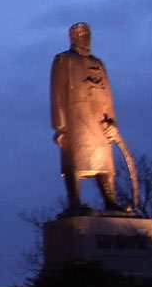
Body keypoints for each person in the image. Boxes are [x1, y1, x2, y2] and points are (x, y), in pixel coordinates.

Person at [50, 22, 126, 212]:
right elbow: (57, 95)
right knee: (75, 160)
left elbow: (108, 96)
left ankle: (110, 201)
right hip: (76, 118)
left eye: (88, 35)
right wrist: (60, 127)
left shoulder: (98, 63)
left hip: (100, 119)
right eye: (82, 35)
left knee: (105, 162)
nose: (86, 39)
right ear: (73, 37)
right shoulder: (64, 60)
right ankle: (74, 203)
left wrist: (113, 124)